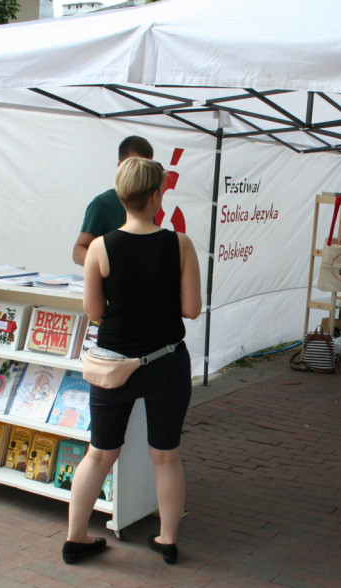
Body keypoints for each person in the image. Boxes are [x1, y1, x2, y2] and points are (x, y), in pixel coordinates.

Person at [63, 158, 202, 566]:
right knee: (166, 454)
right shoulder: (180, 244)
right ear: (157, 195)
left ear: (120, 195)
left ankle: (76, 538)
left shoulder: (100, 247)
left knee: (100, 453)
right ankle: (167, 539)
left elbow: (94, 311)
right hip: (167, 361)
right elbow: (191, 309)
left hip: (112, 364)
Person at [72, 135, 155, 266]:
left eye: (147, 168)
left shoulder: (149, 202)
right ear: (120, 166)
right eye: (134, 166)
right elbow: (79, 250)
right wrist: (106, 267)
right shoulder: (103, 203)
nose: (141, 173)